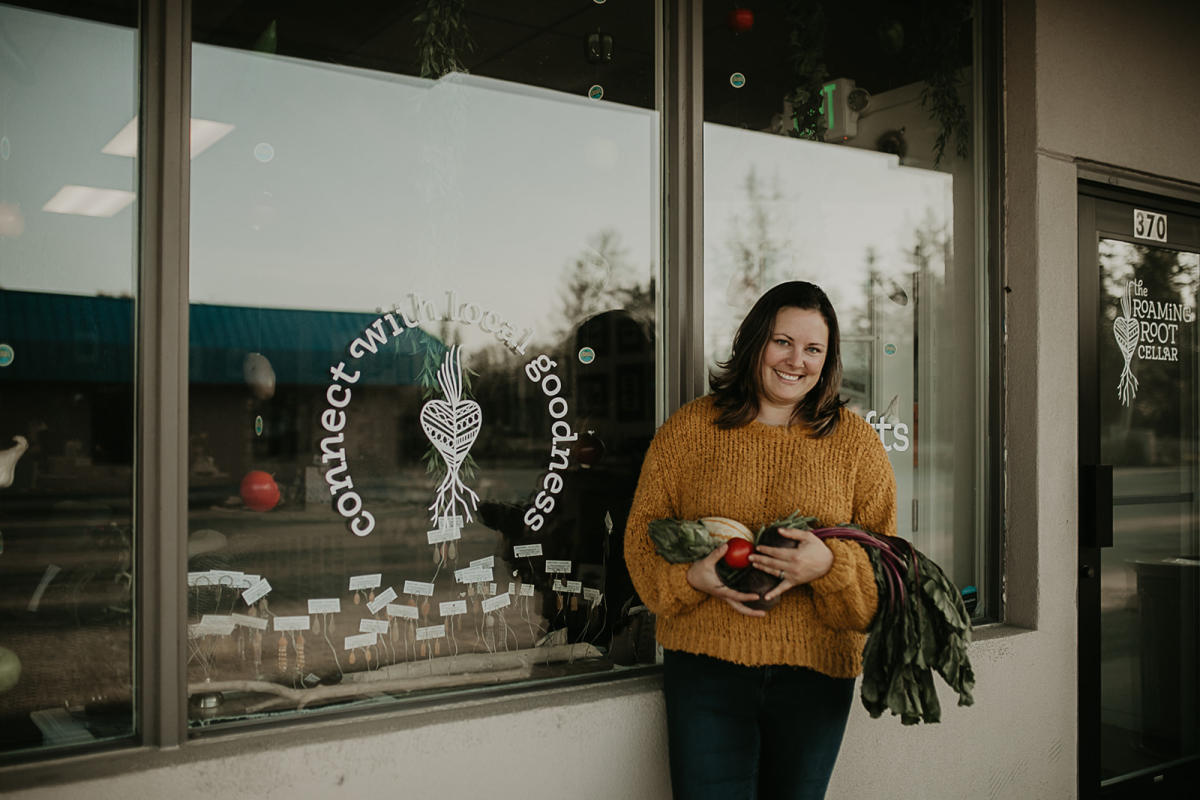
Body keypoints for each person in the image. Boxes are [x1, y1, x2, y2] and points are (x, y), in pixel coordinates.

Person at [623, 281, 897, 800]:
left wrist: (828, 567)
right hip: (705, 672)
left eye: (813, 349)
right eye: (782, 342)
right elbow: (641, 539)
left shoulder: (856, 445)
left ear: (828, 359)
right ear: (754, 343)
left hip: (816, 677)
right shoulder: (690, 430)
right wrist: (691, 577)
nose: (796, 361)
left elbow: (883, 576)